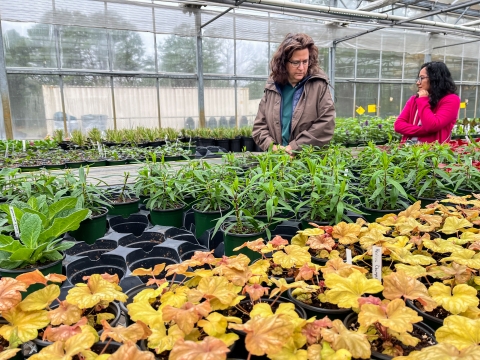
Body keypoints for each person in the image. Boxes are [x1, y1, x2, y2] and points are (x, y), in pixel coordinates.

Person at [252, 33, 335, 154]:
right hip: (277, 160)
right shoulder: (273, 87)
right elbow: (259, 126)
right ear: (283, 62)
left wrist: (294, 148)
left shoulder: (318, 85)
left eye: (305, 61)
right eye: (296, 62)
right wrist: (273, 147)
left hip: (307, 160)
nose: (301, 68)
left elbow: (326, 124)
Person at [394, 61, 460, 144]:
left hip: (433, 153)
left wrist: (423, 100)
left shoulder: (451, 100)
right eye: (418, 78)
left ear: (435, 78)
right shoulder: (414, 99)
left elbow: (432, 126)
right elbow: (398, 125)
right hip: (408, 151)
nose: (418, 82)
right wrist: (424, 130)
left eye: (422, 78)